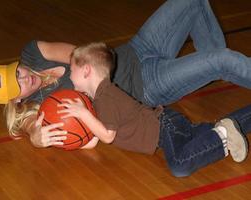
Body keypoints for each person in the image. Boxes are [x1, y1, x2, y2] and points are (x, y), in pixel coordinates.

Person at [0, 0, 251, 147]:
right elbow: (28, 127)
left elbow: (81, 53)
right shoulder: (41, 108)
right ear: (16, 100)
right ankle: (219, 66)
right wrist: (35, 138)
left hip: (138, 47)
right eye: (17, 86)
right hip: (146, 85)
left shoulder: (32, 53)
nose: (24, 78)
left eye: (16, 72)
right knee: (222, 60)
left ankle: (217, 68)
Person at [56, 42, 249, 177]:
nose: (70, 76)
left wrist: (82, 113)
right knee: (214, 131)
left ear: (86, 70)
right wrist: (73, 142)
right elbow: (95, 136)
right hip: (166, 124)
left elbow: (106, 135)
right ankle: (227, 128)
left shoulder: (106, 97)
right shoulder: (101, 96)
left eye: (72, 71)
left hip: (165, 128)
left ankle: (222, 135)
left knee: (180, 165)